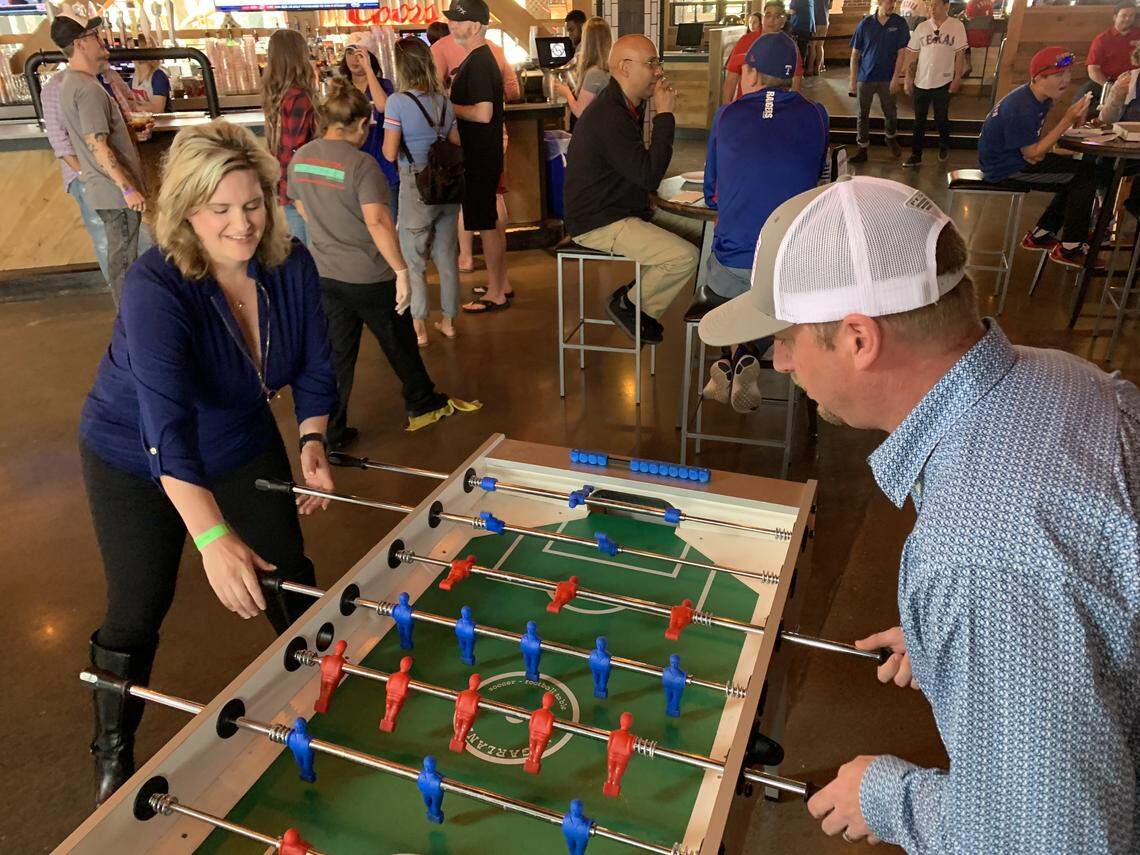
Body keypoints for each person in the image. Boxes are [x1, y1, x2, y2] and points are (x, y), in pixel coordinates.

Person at [698, 174, 1139, 855]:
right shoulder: (1060, 376)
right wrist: (961, 638)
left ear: (858, 339)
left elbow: (1054, 840)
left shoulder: (979, 560)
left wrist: (885, 797)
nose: (779, 360)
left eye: (786, 336)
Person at [79, 119, 339, 806]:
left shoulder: (290, 264)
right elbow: (164, 427)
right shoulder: (155, 285)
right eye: (220, 208)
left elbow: (316, 363)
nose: (242, 224)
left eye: (253, 204)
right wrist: (213, 536)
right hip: (133, 450)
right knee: (139, 604)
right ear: (187, 212)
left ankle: (328, 686)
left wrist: (312, 439)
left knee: (288, 568)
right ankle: (112, 753)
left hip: (238, 435)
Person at [289, 78, 478, 441]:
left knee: (337, 356)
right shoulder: (362, 165)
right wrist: (401, 271)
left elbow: (300, 206)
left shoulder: (302, 158)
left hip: (326, 273)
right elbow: (377, 221)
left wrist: (330, 231)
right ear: (362, 124)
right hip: (370, 276)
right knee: (400, 342)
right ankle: (422, 402)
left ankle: (332, 429)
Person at [703, 32, 828, 412]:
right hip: (789, 267)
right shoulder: (816, 115)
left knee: (728, 276)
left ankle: (730, 356)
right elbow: (815, 183)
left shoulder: (726, 115)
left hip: (732, 269)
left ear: (752, 74)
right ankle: (747, 353)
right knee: (769, 287)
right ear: (792, 77)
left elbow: (711, 195)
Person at [563, 34, 701, 344]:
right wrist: (665, 115)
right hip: (598, 221)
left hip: (623, 210)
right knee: (684, 257)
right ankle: (630, 305)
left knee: (704, 232)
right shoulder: (610, 114)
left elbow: (637, 171)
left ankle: (648, 302)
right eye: (652, 63)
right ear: (625, 67)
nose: (659, 71)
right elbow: (649, 176)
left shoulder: (624, 106)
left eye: (658, 63)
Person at [978, 47, 1115, 267]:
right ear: (1038, 77)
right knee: (1084, 177)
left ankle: (1042, 234)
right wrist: (1066, 120)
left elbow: (1035, 147)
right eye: (1058, 74)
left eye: (1068, 73)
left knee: (1080, 173)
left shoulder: (1037, 98)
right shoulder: (1022, 106)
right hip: (1005, 169)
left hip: (1015, 159)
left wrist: (1076, 120)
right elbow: (1033, 152)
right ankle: (1070, 248)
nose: (1066, 79)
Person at [52, 11, 148, 307]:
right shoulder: (86, 88)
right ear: (80, 43)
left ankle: (129, 319)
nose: (101, 41)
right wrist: (127, 188)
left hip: (106, 190)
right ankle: (129, 322)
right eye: (94, 36)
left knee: (123, 259)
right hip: (114, 194)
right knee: (124, 263)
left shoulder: (72, 83)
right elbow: (97, 143)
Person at [383, 36, 463, 345]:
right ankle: (449, 321)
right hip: (448, 188)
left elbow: (389, 153)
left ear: (401, 67)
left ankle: (419, 327)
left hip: (415, 185)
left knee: (414, 260)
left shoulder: (397, 102)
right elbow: (455, 143)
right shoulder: (444, 101)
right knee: (447, 256)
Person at [443, 0, 513, 314]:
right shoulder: (479, 59)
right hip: (482, 154)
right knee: (489, 222)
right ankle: (501, 284)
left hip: (480, 156)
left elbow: (484, 113)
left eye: (457, 21)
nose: (452, 25)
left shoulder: (481, 61)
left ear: (474, 25)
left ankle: (497, 293)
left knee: (487, 224)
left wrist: (447, 106)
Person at [42, 67, 110, 286]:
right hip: (89, 178)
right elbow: (59, 141)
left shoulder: (108, 77)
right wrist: (85, 174)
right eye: (101, 49)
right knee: (105, 238)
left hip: (118, 175)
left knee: (137, 238)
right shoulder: (56, 86)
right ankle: (123, 298)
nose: (106, 50)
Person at [262, 28, 317, 245]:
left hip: (286, 187)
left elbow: (280, 149)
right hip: (303, 189)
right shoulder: (300, 97)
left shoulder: (275, 95)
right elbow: (296, 149)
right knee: (315, 253)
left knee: (299, 250)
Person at [339, 32, 399, 222]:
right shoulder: (341, 88)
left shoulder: (384, 85)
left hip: (382, 164)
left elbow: (383, 107)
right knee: (357, 226)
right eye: (349, 53)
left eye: (360, 54)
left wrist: (369, 71)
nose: (354, 59)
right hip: (350, 166)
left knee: (387, 222)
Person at [902, 0, 966, 166]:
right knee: (919, 120)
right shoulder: (922, 27)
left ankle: (944, 144)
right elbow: (912, 54)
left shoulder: (956, 26)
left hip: (943, 80)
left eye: (936, 4)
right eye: (930, 5)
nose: (932, 8)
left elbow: (960, 55)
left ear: (946, 6)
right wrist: (908, 79)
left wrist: (957, 78)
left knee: (941, 117)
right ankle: (916, 154)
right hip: (922, 80)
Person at [848, 0, 910, 163]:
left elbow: (901, 53)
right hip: (865, 77)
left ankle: (890, 137)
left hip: (887, 78)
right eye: (889, 2)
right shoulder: (865, 24)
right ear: (880, 2)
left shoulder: (899, 23)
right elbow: (855, 55)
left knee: (890, 112)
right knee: (862, 114)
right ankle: (862, 147)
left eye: (894, 2)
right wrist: (853, 80)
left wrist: (896, 77)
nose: (892, 5)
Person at [723, 0, 804, 103]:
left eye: (777, 16)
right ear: (762, 18)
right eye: (768, 15)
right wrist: (726, 107)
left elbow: (796, 83)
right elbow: (731, 79)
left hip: (777, 105)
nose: (771, 20)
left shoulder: (790, 47)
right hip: (746, 104)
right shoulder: (745, 40)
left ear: (783, 21)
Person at [1076, 0, 1139, 104]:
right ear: (1115, 17)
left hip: (1135, 82)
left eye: (1131, 15)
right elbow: (1093, 69)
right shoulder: (1102, 39)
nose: (1128, 19)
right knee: (1083, 93)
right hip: (1109, 82)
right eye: (1124, 15)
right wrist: (1109, 87)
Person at [554, 16, 612, 120]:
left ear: (586, 41)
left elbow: (580, 112)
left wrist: (566, 92)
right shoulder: (611, 67)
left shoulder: (595, 73)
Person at [129, 34, 170, 113]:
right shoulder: (134, 78)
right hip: (142, 119)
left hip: (161, 120)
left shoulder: (158, 76)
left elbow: (158, 109)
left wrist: (134, 108)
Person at [788, 0, 816, 73]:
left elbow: (792, 11)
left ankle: (795, 71)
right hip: (809, 25)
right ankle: (801, 71)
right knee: (803, 50)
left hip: (799, 24)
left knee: (796, 50)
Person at [811, 0, 829, 75]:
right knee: (820, 46)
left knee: (812, 46)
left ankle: (810, 68)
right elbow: (829, 6)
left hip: (815, 20)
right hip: (825, 21)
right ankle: (817, 69)